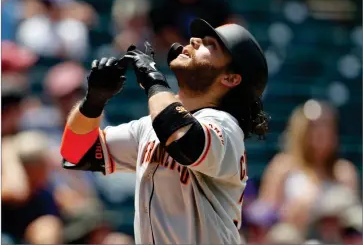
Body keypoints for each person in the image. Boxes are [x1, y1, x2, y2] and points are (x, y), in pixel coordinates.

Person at [60, 18, 269, 243]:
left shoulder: (224, 126)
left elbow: (184, 142)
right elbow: (76, 153)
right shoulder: (150, 126)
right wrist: (93, 103)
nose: (194, 41)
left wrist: (154, 82)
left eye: (211, 45)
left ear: (230, 78)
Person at [259, 99, 359, 232]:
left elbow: (354, 221)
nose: (320, 132)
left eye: (326, 125)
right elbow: (264, 216)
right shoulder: (282, 167)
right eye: (313, 126)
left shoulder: (344, 171)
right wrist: (293, 210)